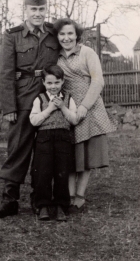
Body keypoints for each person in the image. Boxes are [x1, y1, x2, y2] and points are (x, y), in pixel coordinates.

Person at [0, 0, 59, 218]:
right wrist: (9, 107)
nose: (38, 14)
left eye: (41, 9)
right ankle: (9, 199)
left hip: (50, 95)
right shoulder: (13, 35)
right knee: (18, 147)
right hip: (23, 98)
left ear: (45, 9)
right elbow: (6, 73)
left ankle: (41, 199)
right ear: (26, 10)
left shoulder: (53, 33)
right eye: (34, 9)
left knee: (47, 148)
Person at [53, 18, 117, 212]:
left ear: (77, 35)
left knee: (86, 154)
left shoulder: (87, 52)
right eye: (62, 34)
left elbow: (98, 81)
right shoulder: (55, 56)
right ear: (57, 37)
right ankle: (70, 195)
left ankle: (80, 196)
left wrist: (84, 107)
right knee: (71, 153)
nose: (66, 38)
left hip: (90, 107)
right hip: (68, 107)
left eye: (70, 33)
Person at [29, 65, 78, 221]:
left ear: (62, 81)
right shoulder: (39, 99)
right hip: (44, 139)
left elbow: (74, 119)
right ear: (44, 83)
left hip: (63, 139)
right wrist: (49, 109)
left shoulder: (69, 98)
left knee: (62, 172)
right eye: (49, 83)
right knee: (42, 172)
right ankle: (42, 205)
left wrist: (63, 107)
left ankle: (60, 206)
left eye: (57, 82)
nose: (53, 86)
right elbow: (34, 121)